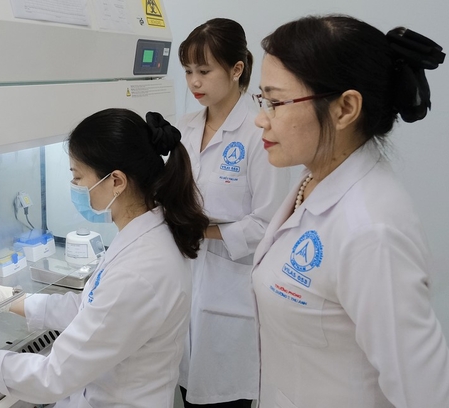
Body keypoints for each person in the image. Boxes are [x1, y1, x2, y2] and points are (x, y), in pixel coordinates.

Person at [0, 108, 210, 407]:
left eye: (78, 176)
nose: (75, 187)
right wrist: (10, 300)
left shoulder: (141, 268)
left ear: (116, 181)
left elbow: (51, 378)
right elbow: (92, 308)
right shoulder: (145, 232)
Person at [250, 14, 449, 408]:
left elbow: (429, 395)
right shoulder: (316, 179)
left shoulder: (372, 232)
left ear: (345, 108)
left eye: (275, 102)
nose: (261, 118)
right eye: (263, 100)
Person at [175, 18, 289, 408]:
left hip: (232, 297)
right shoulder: (186, 128)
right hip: (186, 290)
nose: (194, 82)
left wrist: (200, 231)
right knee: (188, 390)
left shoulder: (260, 133)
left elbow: (269, 224)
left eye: (204, 71)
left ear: (237, 69)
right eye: (188, 71)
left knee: (224, 396)